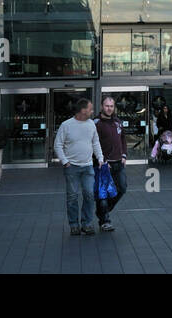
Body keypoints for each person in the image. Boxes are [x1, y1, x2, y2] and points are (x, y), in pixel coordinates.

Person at [54, 97, 105, 235]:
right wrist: (65, 162)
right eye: (90, 109)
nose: (92, 111)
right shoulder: (66, 125)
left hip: (88, 166)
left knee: (89, 194)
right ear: (83, 110)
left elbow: (95, 142)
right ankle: (74, 225)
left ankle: (86, 224)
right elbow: (57, 145)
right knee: (72, 197)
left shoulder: (91, 124)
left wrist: (100, 157)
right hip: (72, 167)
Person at [95, 96, 128, 231]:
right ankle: (105, 221)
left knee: (122, 188)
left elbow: (123, 139)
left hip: (118, 163)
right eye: (107, 106)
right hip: (103, 165)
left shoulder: (118, 122)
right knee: (103, 194)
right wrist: (101, 160)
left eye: (111, 106)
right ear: (102, 106)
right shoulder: (96, 123)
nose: (109, 108)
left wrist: (124, 155)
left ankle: (103, 211)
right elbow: (92, 144)